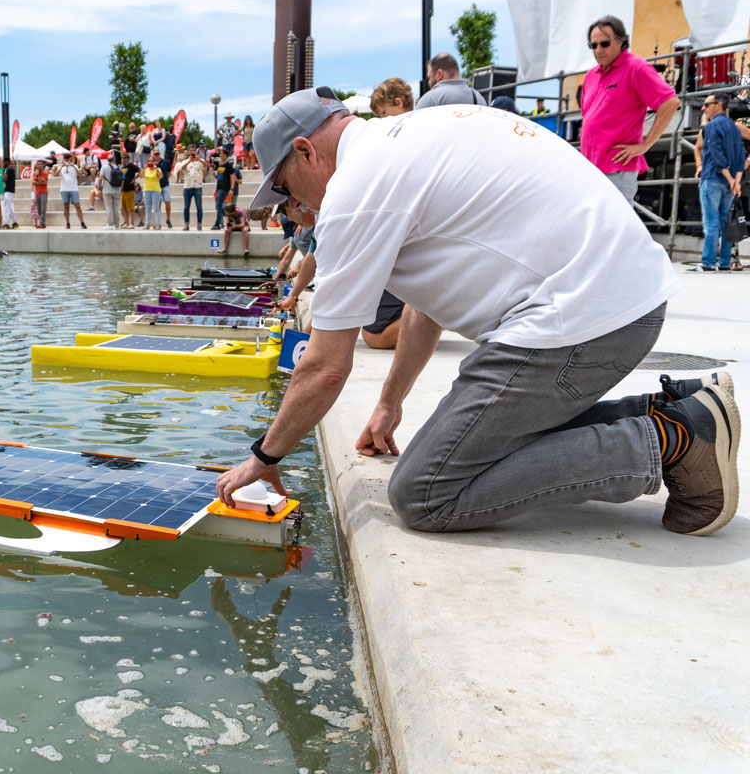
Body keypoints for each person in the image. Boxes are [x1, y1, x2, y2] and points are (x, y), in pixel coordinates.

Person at [215, 86, 740, 541]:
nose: (292, 207)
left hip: (582, 316)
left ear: (306, 151)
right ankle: (679, 410)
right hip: (617, 299)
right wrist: (390, 402)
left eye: (284, 188)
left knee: (426, 492)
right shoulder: (410, 136)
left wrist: (264, 459)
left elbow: (325, 366)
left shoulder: (357, 190)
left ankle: (673, 441)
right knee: (472, 447)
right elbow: (427, 305)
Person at [579, 15, 680, 204]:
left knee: (615, 228)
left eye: (605, 43)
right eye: (593, 45)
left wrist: (645, 145)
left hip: (617, 169)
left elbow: (670, 102)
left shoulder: (636, 67)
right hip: (591, 170)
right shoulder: (591, 76)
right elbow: (589, 118)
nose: (598, 50)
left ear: (621, 42)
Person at [690, 92, 746, 271]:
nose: (703, 108)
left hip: (713, 178)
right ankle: (723, 263)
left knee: (711, 223)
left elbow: (715, 154)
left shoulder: (712, 126)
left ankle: (707, 262)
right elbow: (740, 156)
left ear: (719, 105)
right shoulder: (734, 126)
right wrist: (736, 181)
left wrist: (730, 178)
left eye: (707, 104)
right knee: (725, 223)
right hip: (729, 183)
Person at [415, 54, 486, 109]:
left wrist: (421, 106)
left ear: (439, 74)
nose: (429, 82)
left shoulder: (431, 98)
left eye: (429, 78)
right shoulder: (477, 97)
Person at [177, 145, 207, 230]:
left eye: (194, 150)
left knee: (199, 207)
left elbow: (206, 165)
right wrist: (189, 161)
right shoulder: (185, 161)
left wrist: (199, 159)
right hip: (187, 186)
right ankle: (186, 224)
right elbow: (181, 168)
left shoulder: (200, 161)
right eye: (191, 150)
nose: (192, 152)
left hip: (198, 186)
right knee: (186, 207)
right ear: (189, 152)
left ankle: (199, 223)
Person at [54, 154, 87, 229]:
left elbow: (80, 175)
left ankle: (82, 222)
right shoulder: (60, 167)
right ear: (63, 159)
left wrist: (74, 167)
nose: (67, 160)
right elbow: (55, 175)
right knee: (66, 206)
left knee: (77, 206)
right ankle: (67, 223)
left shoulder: (74, 166)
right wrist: (61, 166)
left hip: (73, 188)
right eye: (65, 158)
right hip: (64, 188)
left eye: (68, 158)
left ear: (70, 159)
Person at [210, 149, 240, 230]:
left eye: (223, 154)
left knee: (219, 205)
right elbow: (218, 177)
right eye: (221, 154)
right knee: (218, 206)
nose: (221, 155)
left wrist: (232, 189)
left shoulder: (228, 165)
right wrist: (213, 173)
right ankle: (230, 219)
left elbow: (233, 177)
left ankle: (217, 223)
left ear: (226, 155)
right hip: (219, 187)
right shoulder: (220, 164)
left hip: (225, 187)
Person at [139, 150, 164, 230]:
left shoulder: (158, 169)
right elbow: (141, 176)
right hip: (147, 189)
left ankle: (158, 224)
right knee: (148, 208)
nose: (150, 162)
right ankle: (147, 224)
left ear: (154, 162)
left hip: (156, 190)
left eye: (152, 161)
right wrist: (144, 168)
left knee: (156, 208)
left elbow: (161, 176)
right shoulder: (146, 170)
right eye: (149, 161)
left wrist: (156, 169)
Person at [99, 152, 122, 229]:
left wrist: (100, 187)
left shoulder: (104, 167)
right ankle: (117, 225)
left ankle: (109, 224)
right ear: (114, 160)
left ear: (107, 160)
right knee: (116, 208)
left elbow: (100, 178)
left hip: (107, 189)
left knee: (109, 207)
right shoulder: (118, 168)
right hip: (117, 190)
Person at [120, 153, 139, 228]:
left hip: (130, 188)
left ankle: (132, 223)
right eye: (122, 158)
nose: (123, 159)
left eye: (125, 158)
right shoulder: (122, 167)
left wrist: (134, 179)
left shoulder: (131, 165)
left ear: (128, 158)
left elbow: (140, 170)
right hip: (124, 189)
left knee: (131, 207)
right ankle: (127, 223)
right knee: (124, 208)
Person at [31, 159, 49, 229]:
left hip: (44, 192)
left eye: (41, 164)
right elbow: (33, 182)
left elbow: (44, 182)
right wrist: (39, 182)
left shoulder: (45, 173)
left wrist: (38, 177)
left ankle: (42, 223)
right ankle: (41, 222)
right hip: (37, 192)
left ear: (43, 165)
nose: (39, 165)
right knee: (38, 209)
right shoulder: (34, 173)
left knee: (43, 209)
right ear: (36, 165)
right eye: (38, 164)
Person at [1, 157, 18, 229]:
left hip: (9, 190)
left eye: (3, 162)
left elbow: (4, 179)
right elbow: (3, 179)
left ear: (6, 162)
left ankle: (6, 224)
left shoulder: (9, 169)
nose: (2, 164)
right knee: (9, 207)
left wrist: (3, 170)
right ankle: (14, 222)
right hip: (8, 190)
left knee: (6, 207)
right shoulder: (9, 169)